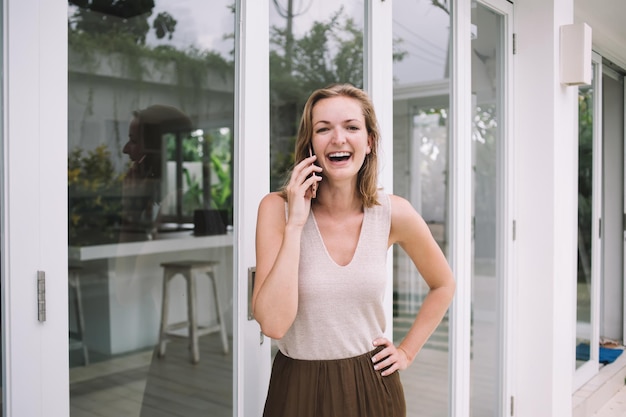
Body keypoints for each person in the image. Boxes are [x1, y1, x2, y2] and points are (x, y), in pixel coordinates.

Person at [253, 83, 456, 417]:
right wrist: (296, 226)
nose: (338, 138)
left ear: (369, 141)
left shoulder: (393, 213)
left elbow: (443, 284)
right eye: (323, 129)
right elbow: (273, 325)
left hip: (371, 385)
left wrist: (405, 352)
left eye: (351, 127)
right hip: (297, 386)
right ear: (310, 145)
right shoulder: (276, 210)